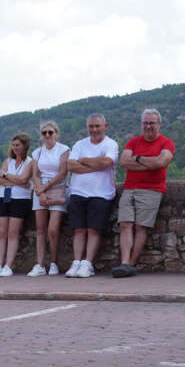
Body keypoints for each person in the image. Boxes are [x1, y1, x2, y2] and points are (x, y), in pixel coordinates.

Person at [112, 109, 175, 278]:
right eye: (145, 123)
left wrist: (138, 158)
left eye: (152, 123)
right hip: (129, 188)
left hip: (152, 190)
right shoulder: (133, 141)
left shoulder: (166, 143)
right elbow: (124, 161)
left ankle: (131, 264)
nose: (148, 126)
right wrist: (150, 162)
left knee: (141, 227)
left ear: (159, 124)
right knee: (125, 224)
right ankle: (125, 263)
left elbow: (161, 162)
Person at [65, 113, 119, 278]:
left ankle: (87, 263)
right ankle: (76, 262)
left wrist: (84, 160)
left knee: (94, 229)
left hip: (101, 193)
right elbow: (70, 165)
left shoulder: (111, 144)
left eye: (97, 126)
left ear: (105, 126)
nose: (94, 130)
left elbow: (106, 162)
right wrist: (96, 164)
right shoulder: (79, 144)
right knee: (79, 230)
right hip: (78, 192)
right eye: (91, 126)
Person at [27, 121, 70, 276]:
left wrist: (46, 187)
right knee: (40, 230)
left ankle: (53, 263)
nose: (47, 135)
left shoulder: (64, 150)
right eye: (44, 133)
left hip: (57, 188)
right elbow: (35, 174)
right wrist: (40, 191)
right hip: (41, 189)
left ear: (56, 134)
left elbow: (63, 172)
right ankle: (39, 265)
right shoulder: (37, 152)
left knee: (52, 230)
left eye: (50, 132)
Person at [0, 133, 34, 276]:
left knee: (13, 232)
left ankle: (8, 266)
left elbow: (25, 179)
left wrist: (6, 175)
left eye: (18, 145)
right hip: (4, 198)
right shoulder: (7, 161)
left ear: (25, 146)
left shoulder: (30, 162)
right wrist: (18, 181)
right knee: (1, 232)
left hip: (21, 200)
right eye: (13, 145)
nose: (15, 148)